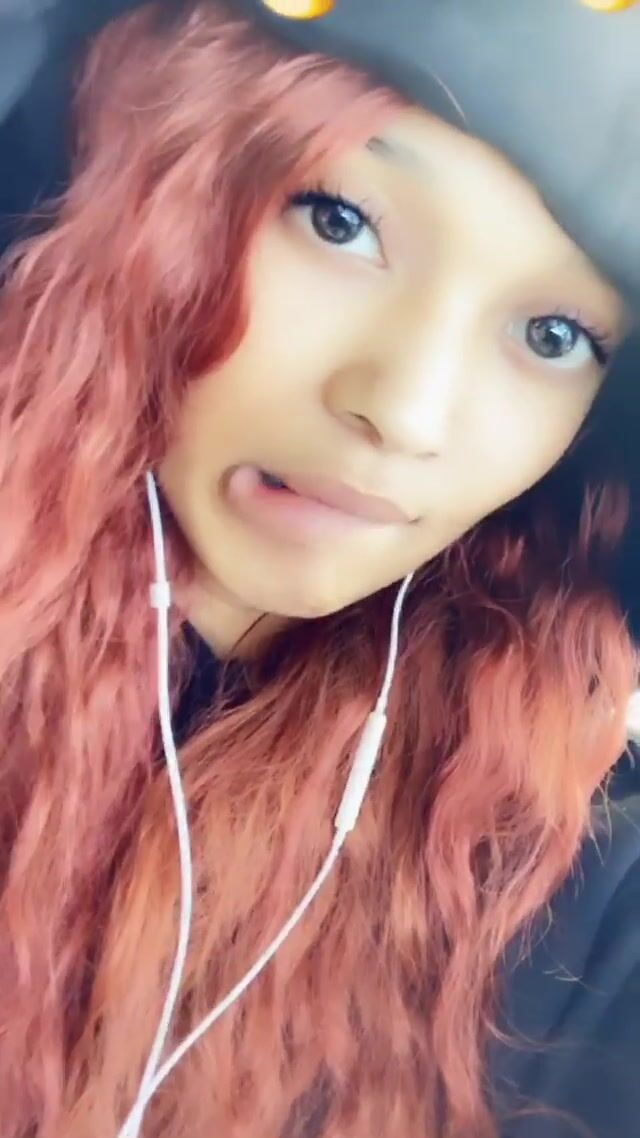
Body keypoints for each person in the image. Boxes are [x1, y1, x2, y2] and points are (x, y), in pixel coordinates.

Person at [0, 1, 639, 1136]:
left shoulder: (563, 891)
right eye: (339, 221)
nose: (404, 411)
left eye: (553, 336)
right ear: (161, 188)